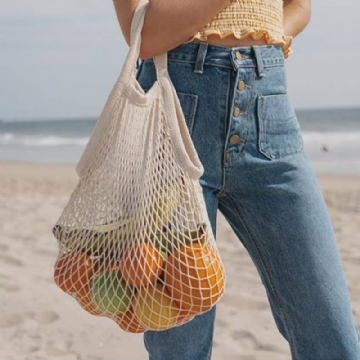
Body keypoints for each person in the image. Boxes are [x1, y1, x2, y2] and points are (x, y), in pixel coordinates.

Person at [113, 0, 360, 359]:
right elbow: (145, 35)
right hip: (173, 114)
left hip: (269, 108)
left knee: (333, 337)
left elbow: (300, 7)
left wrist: (263, 44)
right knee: (179, 347)